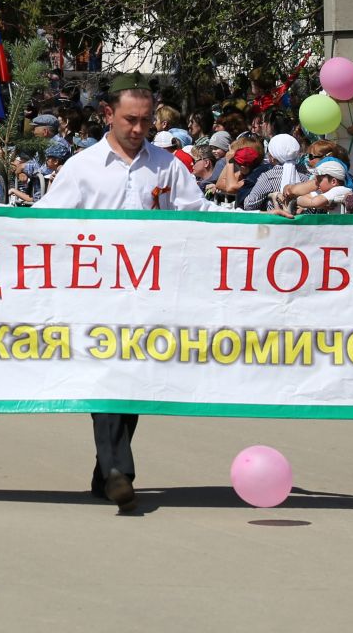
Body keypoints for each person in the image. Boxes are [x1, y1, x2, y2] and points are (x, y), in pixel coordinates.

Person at [36, 76, 204, 512]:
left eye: (146, 121)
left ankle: (103, 469)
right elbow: (41, 222)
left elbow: (201, 216)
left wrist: (267, 223)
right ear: (108, 114)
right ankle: (118, 473)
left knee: (132, 382)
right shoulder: (82, 168)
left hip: (150, 297)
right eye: (130, 119)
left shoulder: (167, 166)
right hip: (94, 297)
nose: (138, 128)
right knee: (107, 377)